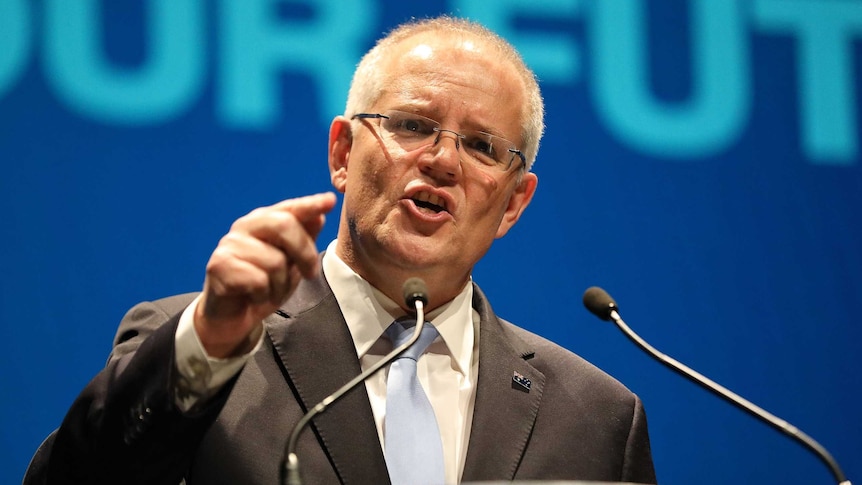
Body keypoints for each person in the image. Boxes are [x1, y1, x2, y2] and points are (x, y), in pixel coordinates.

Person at [24, 16, 656, 485]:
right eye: (412, 125)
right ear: (343, 154)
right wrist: (209, 341)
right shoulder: (199, 346)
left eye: (483, 147)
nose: (441, 161)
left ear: (514, 203)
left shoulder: (597, 417)